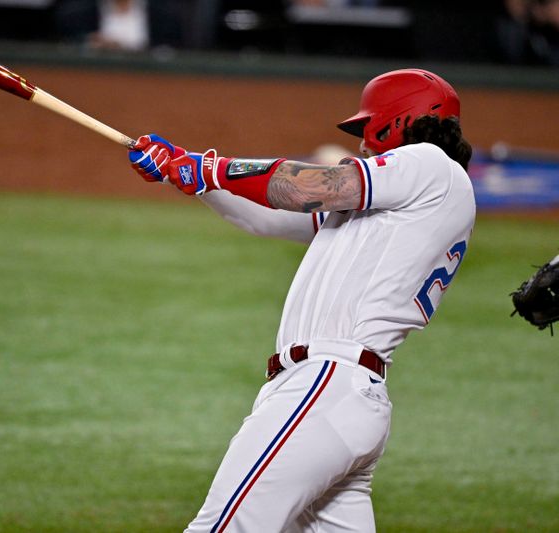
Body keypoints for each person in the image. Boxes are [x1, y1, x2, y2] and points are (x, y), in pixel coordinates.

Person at [128, 68, 475, 532]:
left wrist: (206, 165)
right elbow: (270, 219)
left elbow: (310, 186)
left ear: (398, 121)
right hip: (345, 400)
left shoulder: (429, 165)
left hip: (325, 385)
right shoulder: (401, 203)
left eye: (367, 128)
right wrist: (191, 177)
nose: (362, 143)